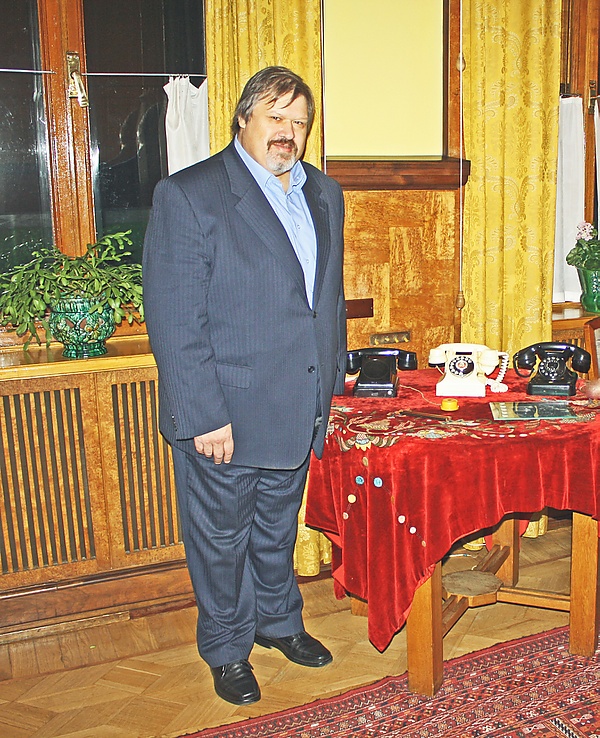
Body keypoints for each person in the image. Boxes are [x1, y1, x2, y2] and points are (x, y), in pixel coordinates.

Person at [142, 66, 346, 706]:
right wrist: (202, 414)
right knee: (220, 541)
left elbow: (325, 302)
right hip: (223, 414)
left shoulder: (324, 193)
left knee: (276, 529)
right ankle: (227, 648)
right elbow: (174, 320)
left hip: (296, 403)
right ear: (243, 119)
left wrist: (329, 390)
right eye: (275, 117)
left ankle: (278, 622)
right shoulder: (190, 195)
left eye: (299, 122)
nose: (288, 132)